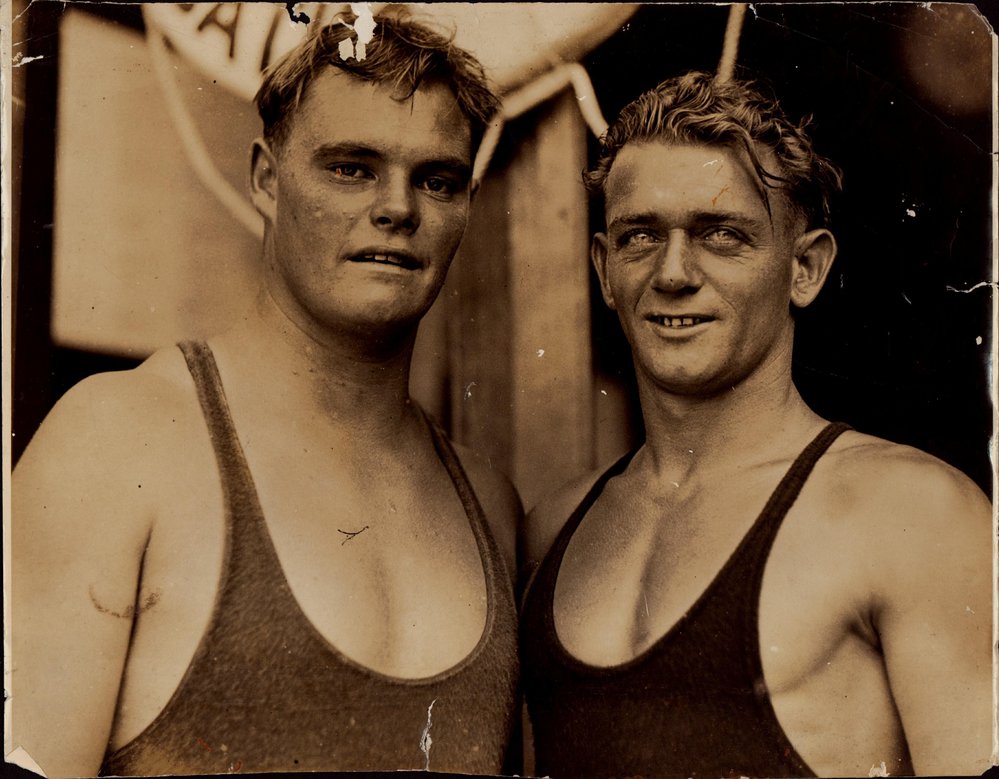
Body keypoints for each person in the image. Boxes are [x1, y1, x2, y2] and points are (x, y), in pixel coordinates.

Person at [12, 12, 522, 778]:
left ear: (466, 206)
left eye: (436, 179)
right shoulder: (115, 442)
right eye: (350, 167)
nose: (397, 208)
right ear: (264, 178)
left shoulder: (488, 500)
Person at [520, 71, 991, 778]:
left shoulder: (910, 514)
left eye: (721, 235)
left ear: (804, 267)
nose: (673, 272)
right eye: (640, 235)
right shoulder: (553, 529)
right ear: (603, 269)